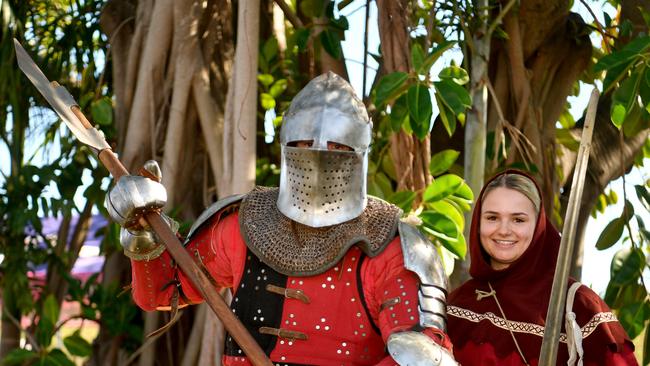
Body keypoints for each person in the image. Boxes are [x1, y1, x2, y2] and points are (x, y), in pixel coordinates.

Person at [106, 72, 457, 365]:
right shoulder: (245, 225)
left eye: (338, 148)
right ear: (287, 147)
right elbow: (162, 291)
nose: (319, 157)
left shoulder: (390, 244)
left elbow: (422, 355)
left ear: (359, 154)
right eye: (304, 143)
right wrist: (143, 233)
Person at [447, 170, 637, 365]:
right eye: (492, 218)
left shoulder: (579, 306)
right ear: (478, 223)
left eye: (518, 219)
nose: (503, 230)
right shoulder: (453, 306)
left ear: (539, 225)